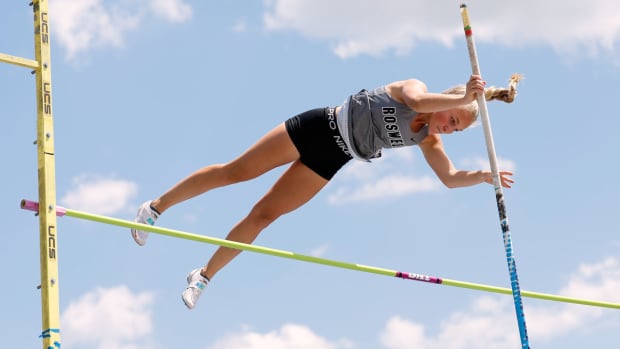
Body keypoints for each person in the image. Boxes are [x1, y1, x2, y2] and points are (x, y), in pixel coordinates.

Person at [131, 73, 520, 309]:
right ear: (449, 101)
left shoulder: (427, 141)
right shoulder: (415, 89)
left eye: (456, 129)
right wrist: (464, 99)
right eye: (451, 120)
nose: (448, 128)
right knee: (237, 172)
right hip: (318, 128)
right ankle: (156, 207)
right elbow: (418, 101)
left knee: (264, 216)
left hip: (334, 156)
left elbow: (450, 178)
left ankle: (204, 275)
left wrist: (482, 176)